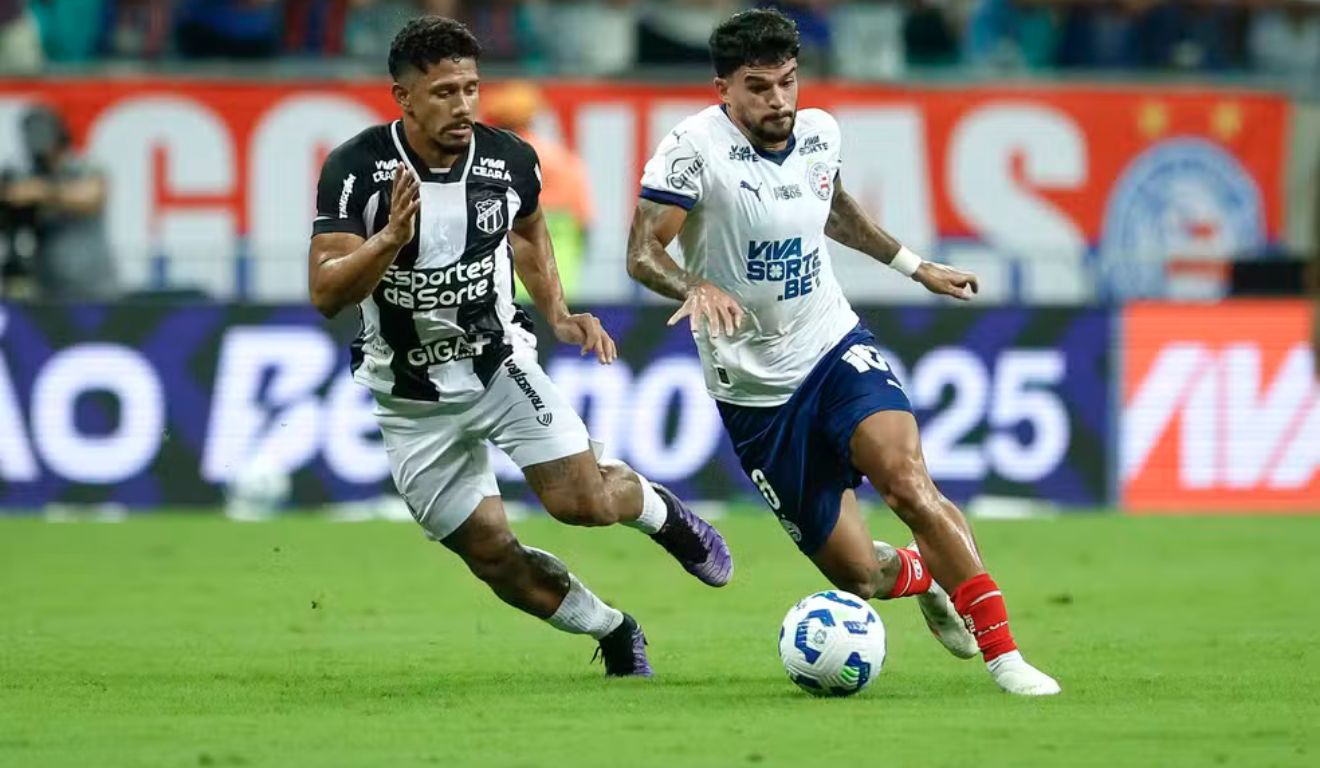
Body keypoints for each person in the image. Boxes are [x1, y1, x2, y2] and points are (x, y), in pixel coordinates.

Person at [625, 8, 1060, 696]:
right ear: (724, 89)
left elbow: (831, 208)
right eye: (759, 87)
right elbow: (642, 250)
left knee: (909, 483)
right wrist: (693, 284)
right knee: (859, 574)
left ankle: (1005, 655)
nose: (779, 101)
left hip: (832, 345)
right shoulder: (691, 151)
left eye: (788, 83)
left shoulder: (820, 133)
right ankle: (923, 576)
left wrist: (918, 267)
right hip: (756, 395)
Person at [307, 16, 731, 679]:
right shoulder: (357, 169)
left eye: (471, 88)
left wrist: (557, 312)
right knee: (493, 557)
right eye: (444, 91)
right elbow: (326, 292)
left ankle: (664, 515)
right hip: (409, 401)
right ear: (404, 97)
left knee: (581, 503)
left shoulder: (509, 159)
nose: (463, 105)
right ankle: (615, 630)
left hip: (499, 366)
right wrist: (388, 240)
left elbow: (530, 229)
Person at [483, 80, 594, 300]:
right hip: (560, 274)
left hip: (508, 276)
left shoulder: (492, 162)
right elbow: (584, 220)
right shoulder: (563, 159)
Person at [0, 106, 115, 301]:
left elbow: (91, 197)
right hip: (47, 288)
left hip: (93, 287)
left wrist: (43, 191)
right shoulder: (25, 174)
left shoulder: (82, 167)